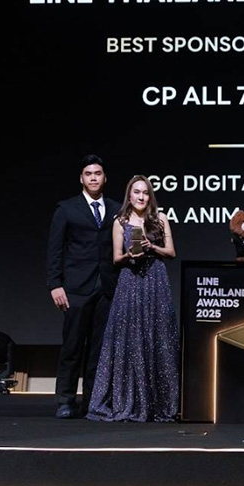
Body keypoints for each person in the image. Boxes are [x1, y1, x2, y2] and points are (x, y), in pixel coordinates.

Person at [87, 175, 180, 422]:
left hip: (156, 281)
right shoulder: (120, 221)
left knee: (158, 336)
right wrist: (130, 254)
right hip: (130, 281)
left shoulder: (160, 219)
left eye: (145, 193)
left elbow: (171, 252)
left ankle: (160, 403)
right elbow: (116, 258)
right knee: (130, 338)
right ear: (129, 195)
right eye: (137, 192)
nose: (141, 197)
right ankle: (128, 399)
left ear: (150, 196)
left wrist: (152, 247)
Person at [46, 154, 122, 419]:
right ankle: (65, 401)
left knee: (99, 351)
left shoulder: (116, 209)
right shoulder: (67, 208)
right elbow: (55, 249)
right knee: (72, 346)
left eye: (98, 173)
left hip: (107, 287)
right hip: (76, 287)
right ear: (81, 178)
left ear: (105, 178)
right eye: (88, 174)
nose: (93, 178)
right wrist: (55, 284)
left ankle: (93, 401)